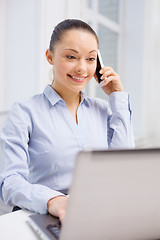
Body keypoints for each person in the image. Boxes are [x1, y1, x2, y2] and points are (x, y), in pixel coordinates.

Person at [0, 19, 134, 223]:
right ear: (50, 56)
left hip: (99, 214)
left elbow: (122, 166)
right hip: (48, 216)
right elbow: (9, 182)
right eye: (71, 56)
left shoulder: (101, 109)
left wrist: (117, 97)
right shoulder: (25, 112)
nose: (81, 68)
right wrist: (52, 200)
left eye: (90, 59)